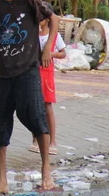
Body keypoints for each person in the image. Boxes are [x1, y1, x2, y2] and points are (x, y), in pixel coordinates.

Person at [0, 0, 60, 195]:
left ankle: (46, 170)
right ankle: (2, 181)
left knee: (36, 119)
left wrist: (47, 48)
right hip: (4, 73)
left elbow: (53, 18)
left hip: (28, 71)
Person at [29, 10, 66, 156]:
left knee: (47, 106)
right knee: (33, 106)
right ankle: (35, 140)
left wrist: (53, 54)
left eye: (41, 18)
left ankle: (52, 141)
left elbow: (63, 52)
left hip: (46, 74)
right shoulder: (32, 34)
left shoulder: (54, 35)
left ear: (48, 20)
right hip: (32, 72)